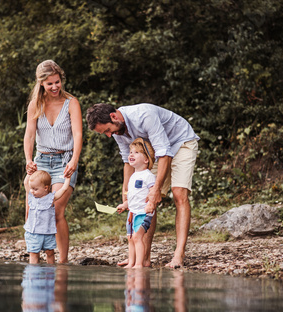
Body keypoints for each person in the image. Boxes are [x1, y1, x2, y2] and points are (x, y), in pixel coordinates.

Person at [86, 103, 199, 268]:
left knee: (179, 194)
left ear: (113, 117)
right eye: (105, 133)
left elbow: (164, 153)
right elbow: (128, 162)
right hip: (156, 151)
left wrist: (156, 189)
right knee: (143, 199)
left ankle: (178, 255)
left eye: (107, 130)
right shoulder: (117, 131)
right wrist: (127, 196)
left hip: (180, 141)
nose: (109, 136)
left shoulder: (144, 116)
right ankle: (142, 258)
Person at [24, 60, 83, 263]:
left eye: (57, 82)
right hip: (41, 160)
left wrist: (74, 160)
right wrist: (28, 160)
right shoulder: (35, 104)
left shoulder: (71, 102)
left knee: (56, 208)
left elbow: (77, 134)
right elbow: (30, 135)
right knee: (31, 208)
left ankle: (62, 261)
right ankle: (34, 256)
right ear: (41, 83)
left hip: (64, 159)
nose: (55, 87)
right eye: (50, 84)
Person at [116, 138, 156, 269]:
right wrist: (125, 205)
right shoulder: (133, 176)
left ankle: (139, 263)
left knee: (138, 237)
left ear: (146, 160)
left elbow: (153, 192)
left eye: (136, 152)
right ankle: (131, 262)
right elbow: (133, 197)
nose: (131, 154)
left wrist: (151, 203)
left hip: (143, 212)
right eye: (131, 152)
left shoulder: (148, 175)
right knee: (131, 238)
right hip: (132, 212)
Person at [24, 171, 71, 264]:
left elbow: (64, 189)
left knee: (50, 253)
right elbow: (25, 183)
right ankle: (33, 274)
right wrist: (29, 172)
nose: (32, 191)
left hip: (48, 233)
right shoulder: (31, 196)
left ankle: (50, 273)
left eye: (35, 189)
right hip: (33, 233)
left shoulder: (51, 198)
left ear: (45, 188)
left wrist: (68, 178)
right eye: (31, 188)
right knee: (33, 253)